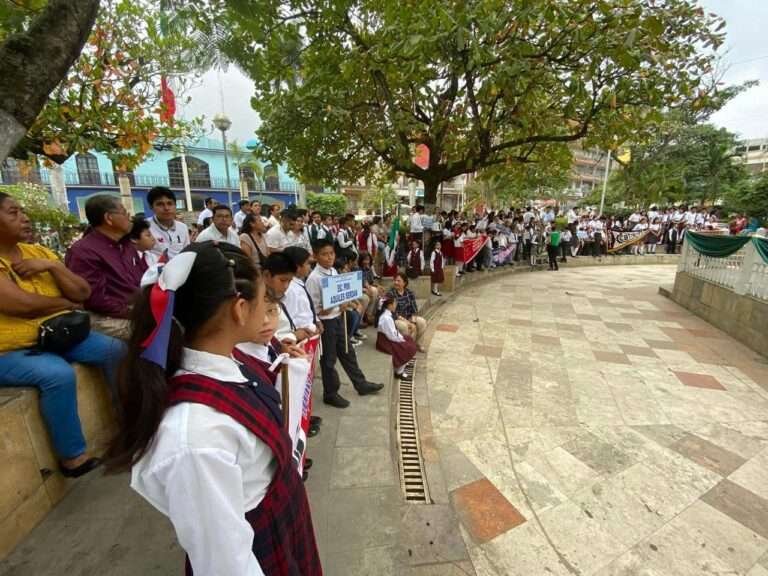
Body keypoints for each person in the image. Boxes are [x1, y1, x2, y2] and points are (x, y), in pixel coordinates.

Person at [107, 242, 322, 575]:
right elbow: (224, 563)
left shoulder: (232, 362)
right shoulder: (196, 438)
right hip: (264, 553)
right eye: (263, 300)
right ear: (240, 309)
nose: (269, 312)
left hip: (284, 526)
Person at [0, 192, 123, 478]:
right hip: (11, 350)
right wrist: (65, 303)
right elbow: (21, 305)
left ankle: (129, 422)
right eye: (13, 213)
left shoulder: (38, 253)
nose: (24, 218)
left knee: (116, 350)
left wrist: (53, 266)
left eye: (22, 211)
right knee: (57, 374)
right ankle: (73, 457)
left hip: (58, 335)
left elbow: (82, 292)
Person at [305, 238, 384, 408]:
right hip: (326, 324)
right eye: (324, 254)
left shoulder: (333, 271)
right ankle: (330, 393)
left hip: (339, 318)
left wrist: (344, 303)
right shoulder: (314, 279)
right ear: (315, 256)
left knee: (348, 352)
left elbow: (340, 294)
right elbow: (313, 309)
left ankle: (361, 384)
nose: (329, 257)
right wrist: (329, 308)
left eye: (331, 253)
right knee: (329, 360)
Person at [65, 195, 147, 338]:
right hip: (106, 316)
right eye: (124, 212)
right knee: (159, 332)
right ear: (109, 218)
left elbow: (144, 277)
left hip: (136, 308)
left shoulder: (126, 244)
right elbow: (95, 300)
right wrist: (136, 313)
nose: (130, 217)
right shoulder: (84, 251)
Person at [375, 296, 418, 378]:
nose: (395, 305)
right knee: (408, 347)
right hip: (385, 342)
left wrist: (401, 337)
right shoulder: (386, 318)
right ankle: (399, 372)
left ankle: (402, 363)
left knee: (408, 340)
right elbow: (391, 335)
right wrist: (401, 339)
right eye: (394, 304)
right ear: (389, 305)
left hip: (387, 338)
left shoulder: (387, 315)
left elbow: (392, 333)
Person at [146, 187, 190, 260]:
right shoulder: (145, 227)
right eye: (160, 204)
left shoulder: (183, 227)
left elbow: (187, 253)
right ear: (151, 207)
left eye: (170, 203)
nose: (166, 208)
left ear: (175, 205)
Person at [387, 272, 427, 347]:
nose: (396, 282)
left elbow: (414, 309)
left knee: (422, 322)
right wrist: (408, 322)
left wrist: (413, 321)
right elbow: (393, 313)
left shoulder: (409, 293)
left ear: (404, 283)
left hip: (408, 317)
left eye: (398, 281)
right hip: (396, 319)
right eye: (395, 280)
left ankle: (418, 344)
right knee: (404, 326)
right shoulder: (391, 294)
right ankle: (407, 347)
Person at [358, 252, 379, 324]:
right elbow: (363, 282)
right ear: (361, 260)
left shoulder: (369, 269)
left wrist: (378, 286)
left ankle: (368, 315)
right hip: (359, 290)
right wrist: (366, 289)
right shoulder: (358, 269)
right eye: (365, 260)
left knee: (376, 290)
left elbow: (371, 282)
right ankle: (362, 319)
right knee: (368, 297)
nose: (367, 262)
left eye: (368, 260)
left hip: (367, 289)